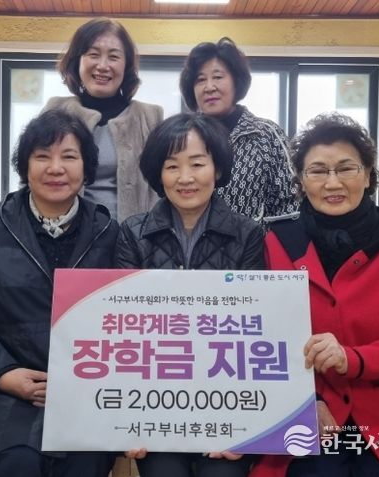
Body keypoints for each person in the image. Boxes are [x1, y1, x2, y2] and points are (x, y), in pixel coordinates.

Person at [254, 113, 379, 477]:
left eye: (346, 168)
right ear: (300, 180)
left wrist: (352, 358)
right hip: (309, 411)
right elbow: (263, 341)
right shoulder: (277, 243)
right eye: (317, 171)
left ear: (368, 175)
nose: (333, 183)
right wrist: (306, 402)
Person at [0, 109, 118, 477]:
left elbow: (124, 321)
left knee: (85, 463)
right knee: (18, 461)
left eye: (69, 156)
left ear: (86, 166)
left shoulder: (107, 231)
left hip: (86, 392)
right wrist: (4, 374)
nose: (55, 168)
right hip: (5, 392)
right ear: (25, 165)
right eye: (42, 156)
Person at [115, 113, 264, 477]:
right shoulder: (132, 233)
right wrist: (126, 420)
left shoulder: (248, 234)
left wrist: (247, 427)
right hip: (154, 403)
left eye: (197, 164)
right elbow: (121, 331)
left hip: (228, 400)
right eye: (172, 166)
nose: (185, 177)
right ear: (158, 173)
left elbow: (255, 330)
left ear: (217, 168)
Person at [45, 17, 163, 222]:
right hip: (64, 236)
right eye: (93, 54)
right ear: (78, 61)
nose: (102, 65)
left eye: (114, 57)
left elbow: (165, 187)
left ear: (126, 66)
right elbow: (32, 179)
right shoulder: (55, 110)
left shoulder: (150, 118)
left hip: (136, 238)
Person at [179, 37, 298, 225]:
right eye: (200, 80)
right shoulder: (182, 137)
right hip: (190, 242)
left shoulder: (266, 134)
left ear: (236, 81)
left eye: (218, 77)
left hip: (254, 243)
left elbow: (290, 202)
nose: (209, 87)